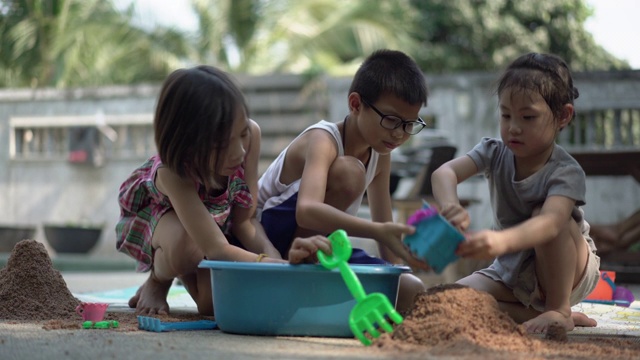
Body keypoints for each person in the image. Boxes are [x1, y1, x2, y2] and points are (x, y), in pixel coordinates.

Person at [115, 65, 332, 316]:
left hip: (212, 226)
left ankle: (183, 267)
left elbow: (245, 221)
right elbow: (217, 248)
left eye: (241, 135)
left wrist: (276, 260)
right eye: (221, 144)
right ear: (187, 144)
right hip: (161, 219)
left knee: (211, 306)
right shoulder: (173, 172)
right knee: (187, 246)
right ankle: (158, 279)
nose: (239, 152)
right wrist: (273, 266)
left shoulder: (251, 135)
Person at [431, 53, 601, 333]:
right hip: (512, 269)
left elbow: (550, 224)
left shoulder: (565, 171)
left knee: (543, 216)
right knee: (449, 299)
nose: (514, 127)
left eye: (528, 116)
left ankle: (559, 308)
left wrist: (500, 242)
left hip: (570, 270)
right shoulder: (493, 151)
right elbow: (443, 174)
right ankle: (544, 314)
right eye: (506, 114)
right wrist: (450, 206)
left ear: (563, 116)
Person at [257, 49, 430, 313]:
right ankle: (299, 277)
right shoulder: (323, 139)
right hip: (266, 238)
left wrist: (398, 268)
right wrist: (375, 231)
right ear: (356, 104)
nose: (399, 134)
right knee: (350, 172)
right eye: (392, 120)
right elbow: (306, 212)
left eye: (409, 124)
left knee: (411, 288)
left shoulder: (380, 152)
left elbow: (384, 226)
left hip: (323, 246)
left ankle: (309, 281)